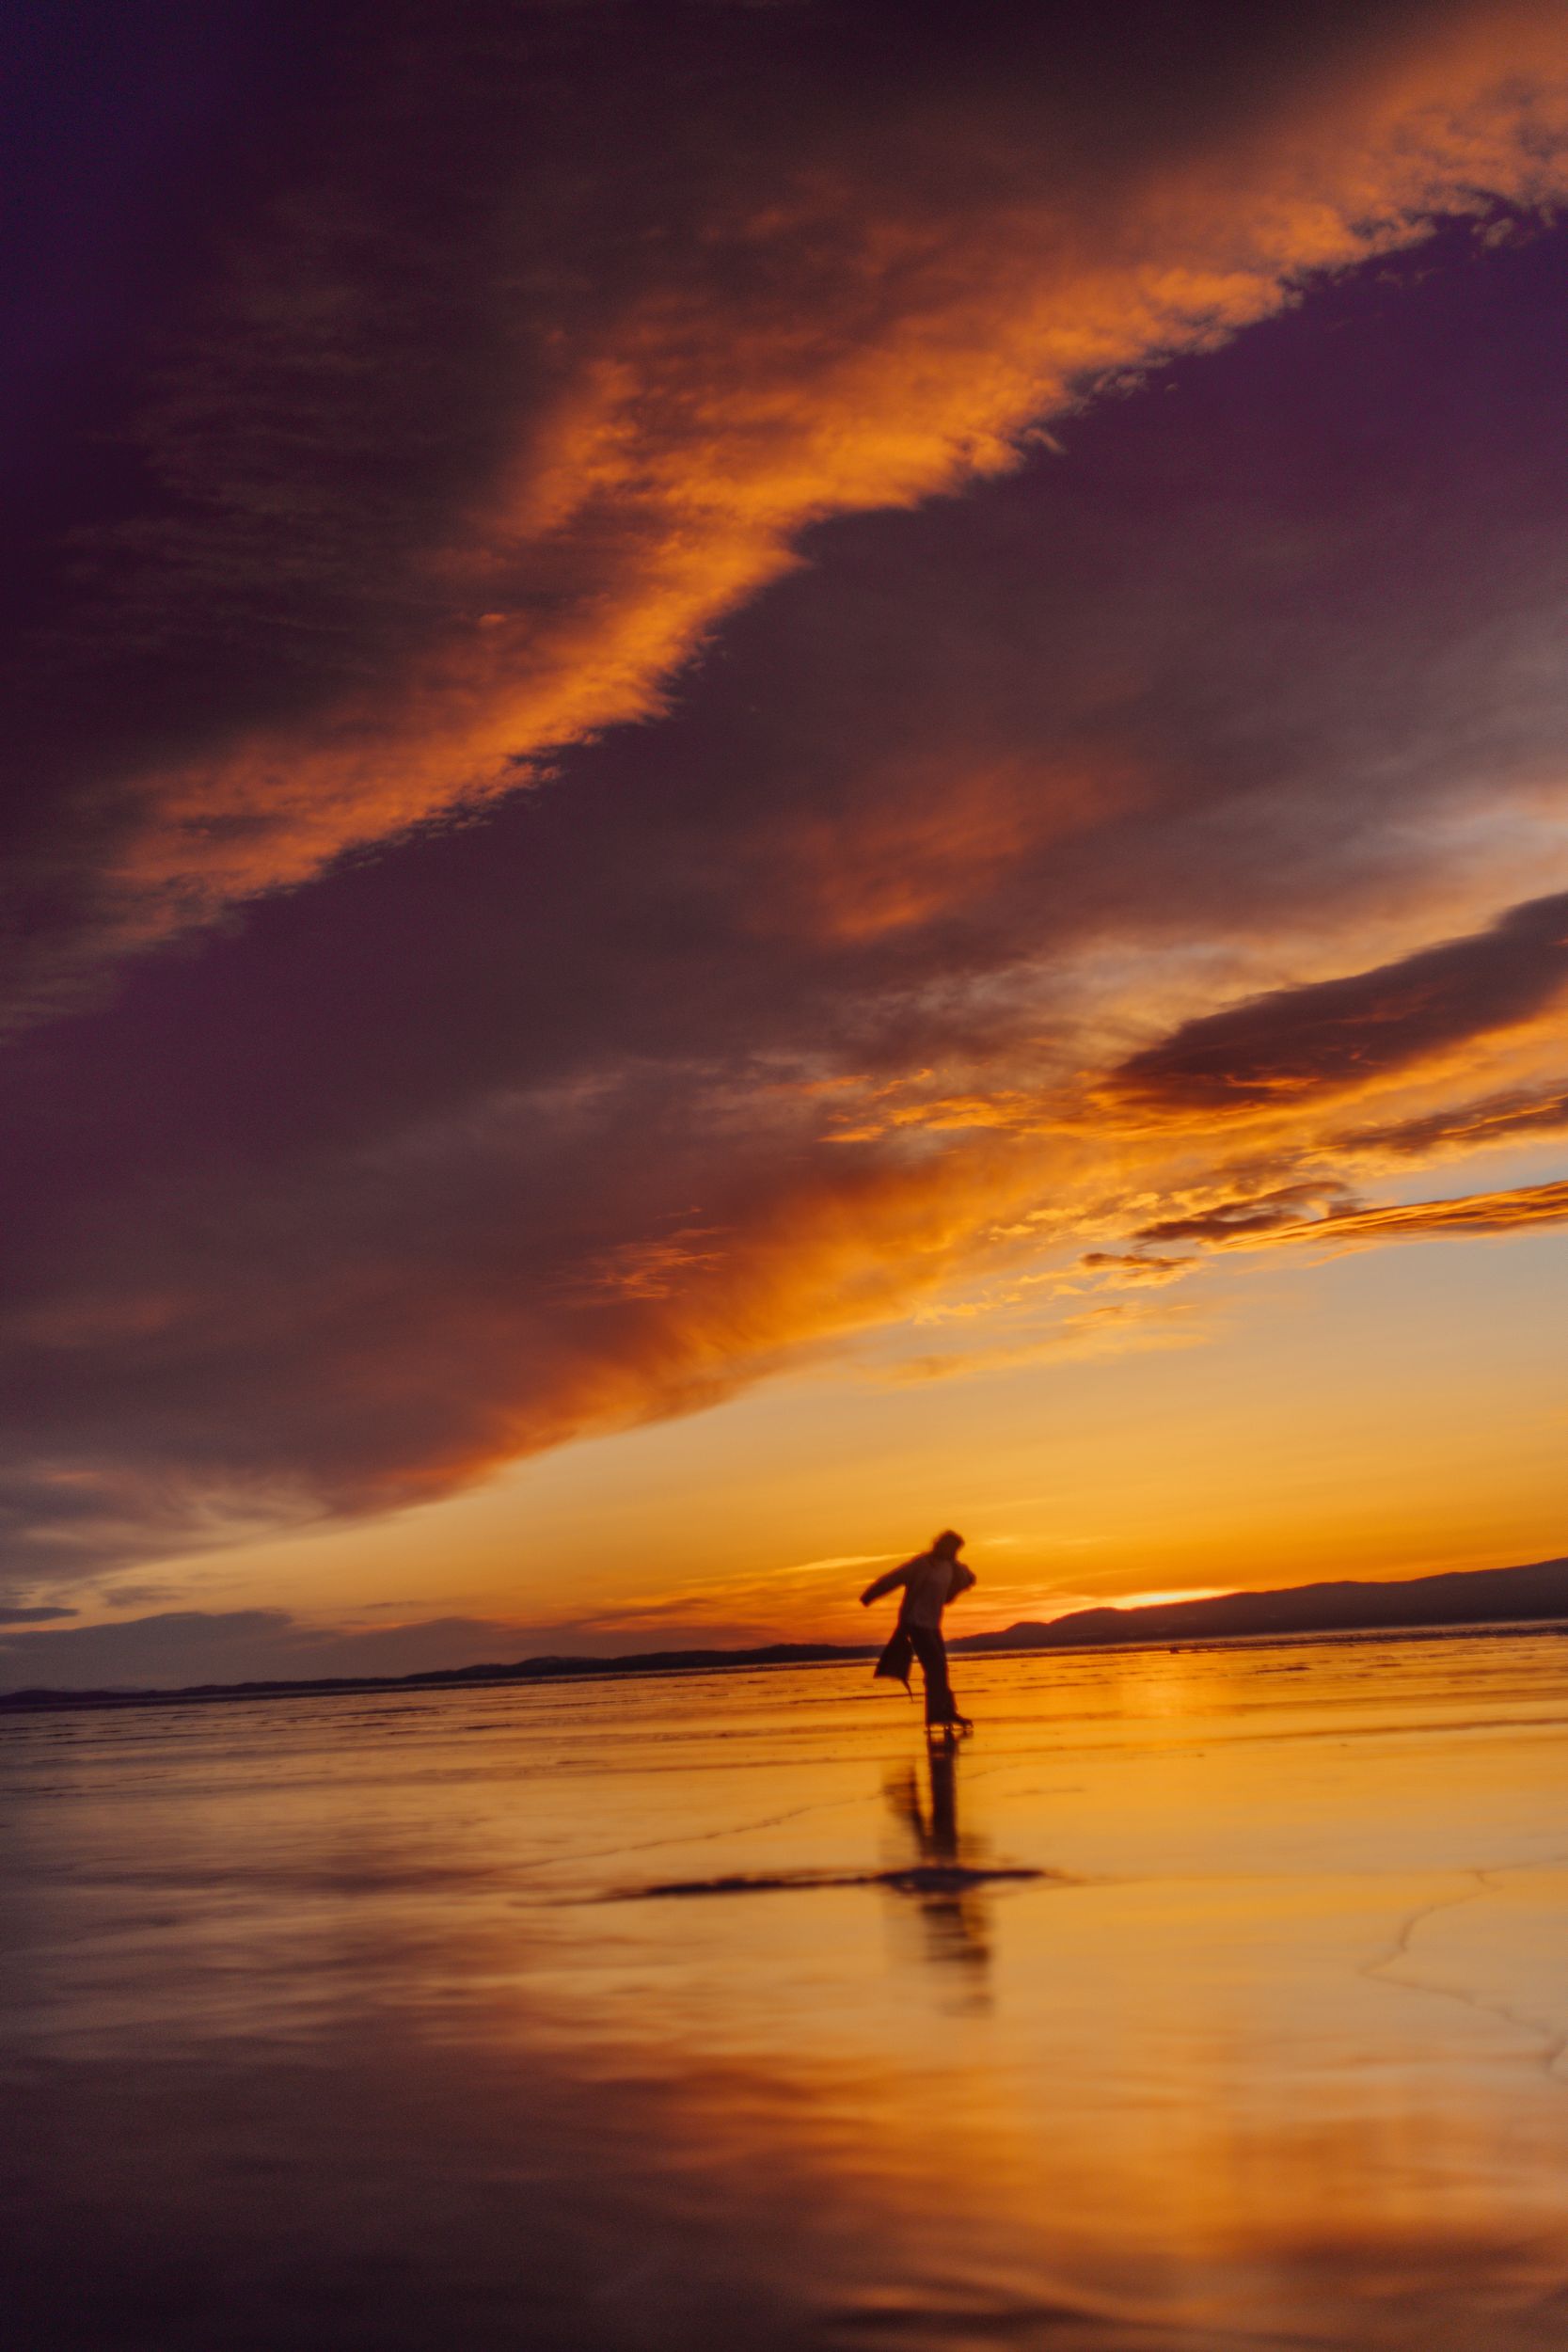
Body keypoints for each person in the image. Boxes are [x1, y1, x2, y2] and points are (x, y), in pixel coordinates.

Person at [861, 1530, 975, 1738]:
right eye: (950, 1547)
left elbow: (966, 1577)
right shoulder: (922, 1564)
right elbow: (893, 1578)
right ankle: (939, 1713)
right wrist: (870, 1595)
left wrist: (964, 1582)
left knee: (940, 1667)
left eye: (956, 1549)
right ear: (940, 1544)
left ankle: (944, 1711)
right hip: (914, 1623)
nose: (954, 1552)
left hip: (932, 1625)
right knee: (936, 1666)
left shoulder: (951, 1567)